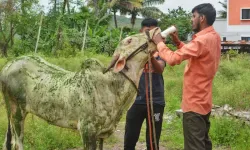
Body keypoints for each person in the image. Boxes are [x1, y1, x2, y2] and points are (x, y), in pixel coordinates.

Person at [153, 3, 221, 150]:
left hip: (194, 105)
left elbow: (172, 59)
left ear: (202, 18)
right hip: (204, 102)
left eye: (193, 16)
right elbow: (195, 53)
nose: (191, 19)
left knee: (194, 146)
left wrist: (159, 44)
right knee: (203, 143)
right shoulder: (214, 37)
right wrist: (177, 42)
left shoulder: (201, 40)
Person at [124, 18, 166, 150]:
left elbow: (159, 69)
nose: (149, 35)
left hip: (155, 101)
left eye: (152, 32)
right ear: (140, 31)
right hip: (135, 100)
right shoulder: (132, 50)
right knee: (130, 139)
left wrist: (150, 56)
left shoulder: (161, 50)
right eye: (146, 32)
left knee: (153, 142)